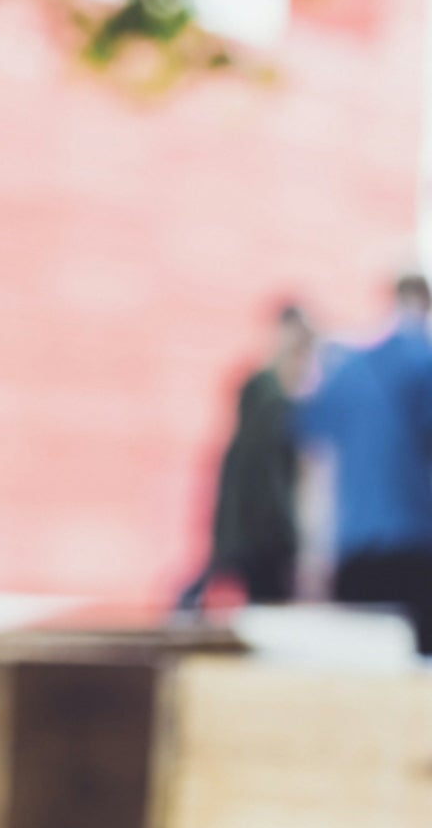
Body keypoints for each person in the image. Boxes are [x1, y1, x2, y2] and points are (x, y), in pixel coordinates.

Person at [297, 272, 432, 654]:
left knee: (364, 676)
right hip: (417, 546)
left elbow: (316, 464)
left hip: (354, 548)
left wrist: (312, 555)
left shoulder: (345, 368)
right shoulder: (425, 361)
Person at [181, 303, 314, 609]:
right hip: (263, 538)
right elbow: (268, 479)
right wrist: (287, 535)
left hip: (247, 534)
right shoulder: (272, 398)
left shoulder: (263, 393)